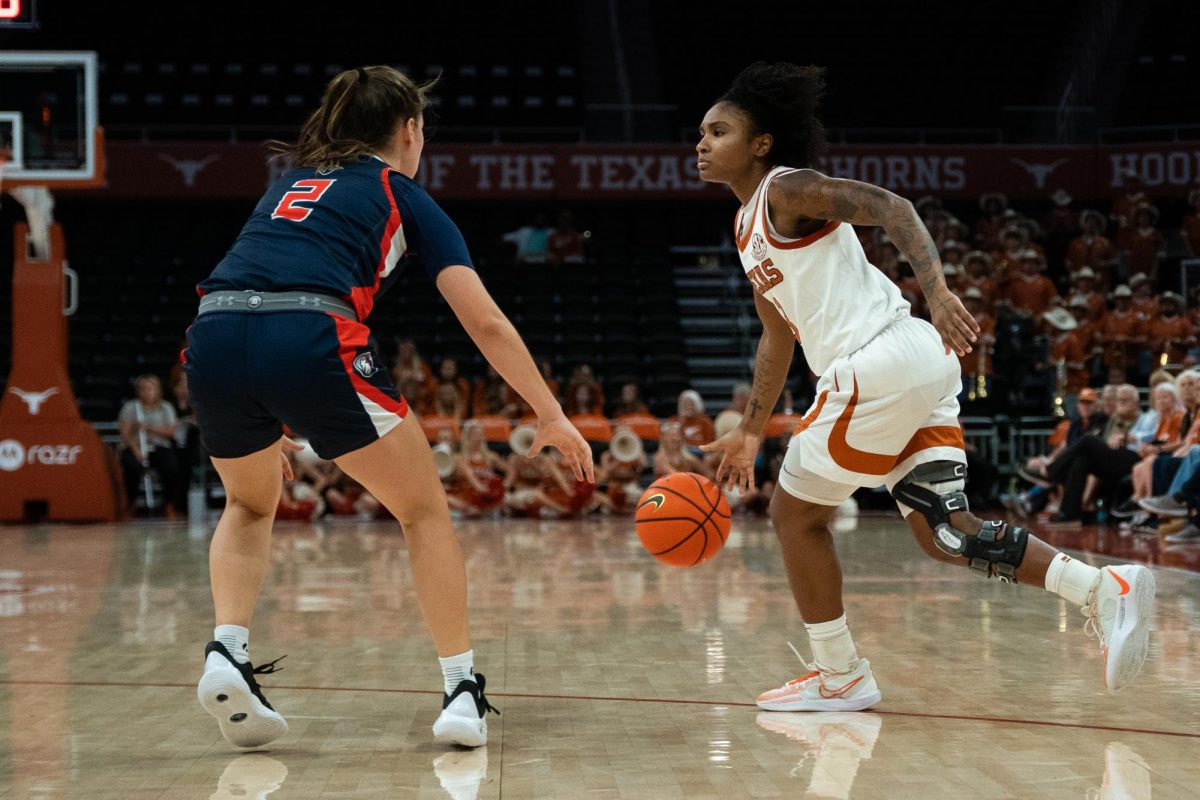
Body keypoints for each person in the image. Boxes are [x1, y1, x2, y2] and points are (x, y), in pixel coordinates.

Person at [694, 62, 1155, 713]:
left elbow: (890, 206)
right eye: (701, 133)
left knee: (793, 516)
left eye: (718, 131)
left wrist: (936, 290)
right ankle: (1104, 589)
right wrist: (747, 429)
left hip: (877, 362)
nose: (702, 143)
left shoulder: (785, 189)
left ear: (761, 142)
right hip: (917, 367)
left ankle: (840, 674)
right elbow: (777, 336)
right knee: (946, 532)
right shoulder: (747, 229)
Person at [182, 65, 593, 750]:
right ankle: (461, 688)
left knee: (249, 504)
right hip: (310, 333)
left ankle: (228, 648)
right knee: (423, 509)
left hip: (214, 336)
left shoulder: (288, 188)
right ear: (409, 131)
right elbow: (484, 321)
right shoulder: (398, 192)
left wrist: (262, 402)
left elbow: (252, 283)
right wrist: (550, 412)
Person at [118, 374, 189, 517]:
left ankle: (169, 504)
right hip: (134, 447)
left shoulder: (166, 407)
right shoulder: (131, 407)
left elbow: (170, 432)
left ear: (157, 390)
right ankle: (129, 505)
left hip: (158, 447)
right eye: (143, 389)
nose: (147, 392)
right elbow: (124, 433)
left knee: (172, 467)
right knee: (131, 467)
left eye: (150, 388)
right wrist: (136, 449)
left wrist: (148, 428)